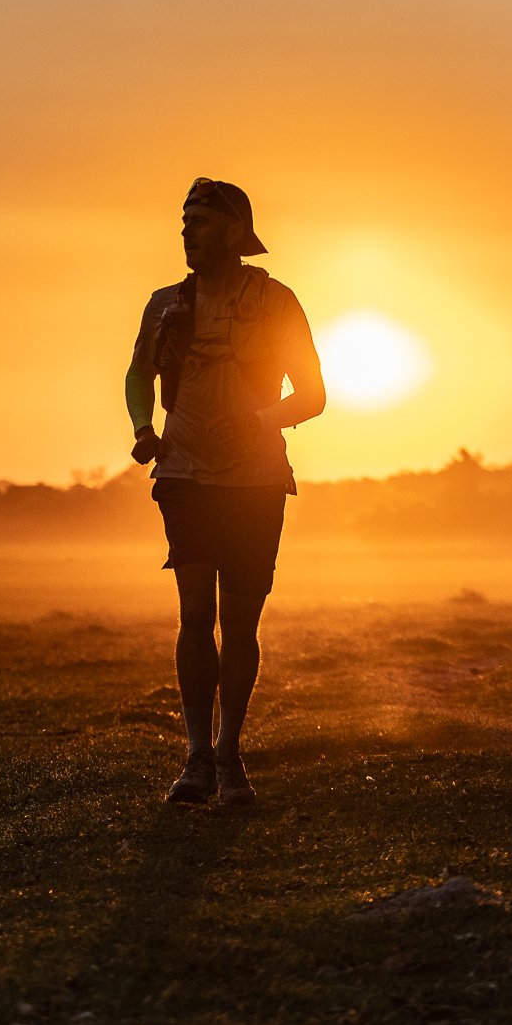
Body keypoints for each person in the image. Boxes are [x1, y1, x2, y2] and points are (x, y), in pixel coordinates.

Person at [125, 178, 325, 806]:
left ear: (237, 233)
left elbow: (313, 395)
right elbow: (136, 375)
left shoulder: (277, 301)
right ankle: (195, 758)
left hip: (258, 479)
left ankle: (229, 752)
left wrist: (259, 422)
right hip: (183, 475)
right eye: (184, 220)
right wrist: (143, 429)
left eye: (202, 222)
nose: (188, 231)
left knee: (240, 625)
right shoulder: (164, 304)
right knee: (194, 615)